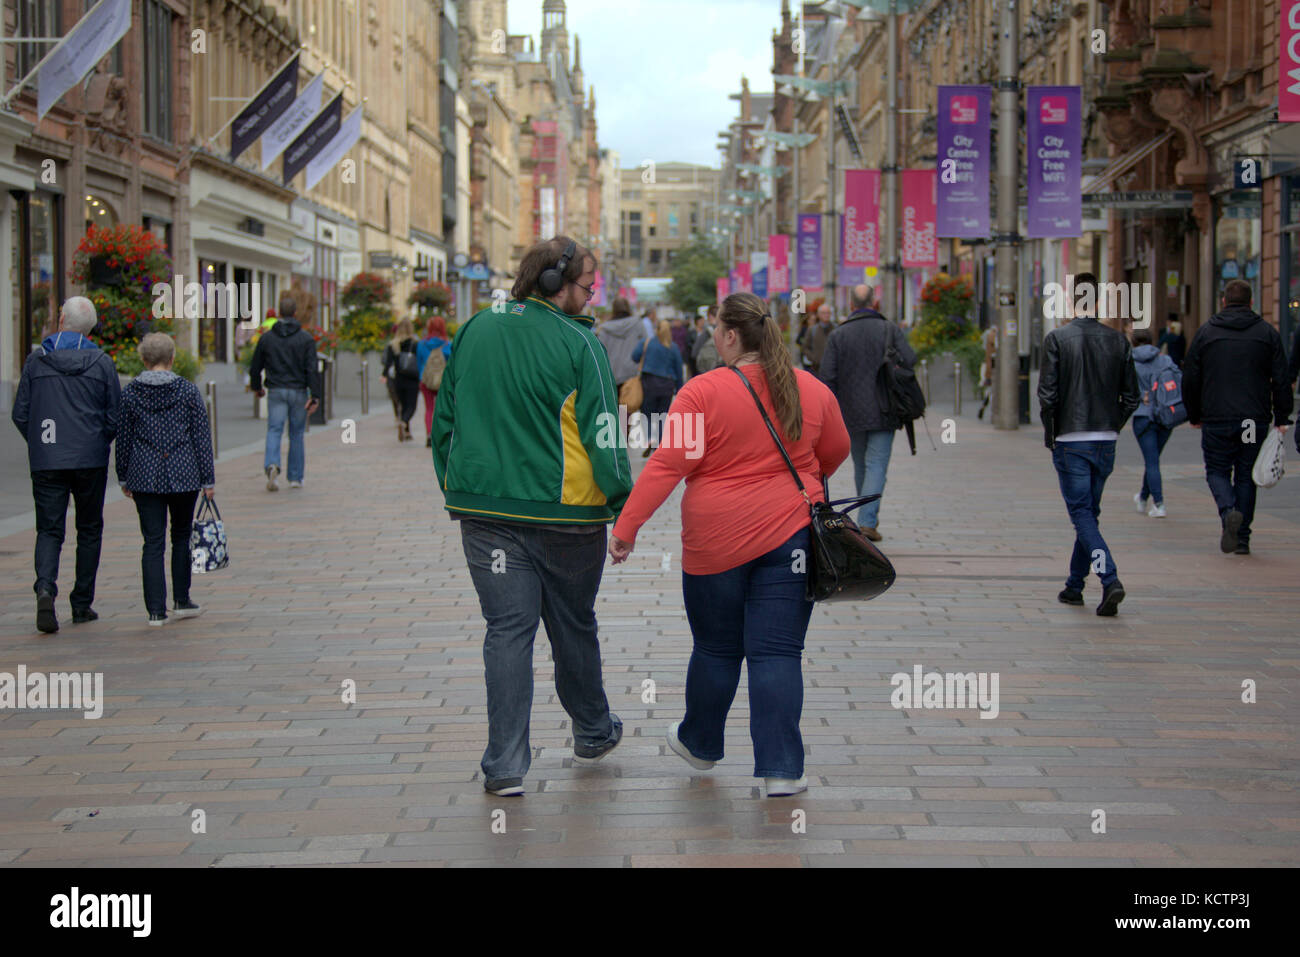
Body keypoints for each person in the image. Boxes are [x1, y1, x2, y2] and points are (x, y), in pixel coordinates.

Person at [609, 291, 850, 798]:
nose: (714, 336)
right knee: (778, 653)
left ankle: (700, 743)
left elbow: (669, 465)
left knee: (717, 649)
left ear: (732, 335)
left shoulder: (702, 393)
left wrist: (627, 527)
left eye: (716, 327)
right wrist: (798, 478)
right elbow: (836, 451)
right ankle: (783, 769)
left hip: (714, 542)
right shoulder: (811, 389)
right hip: (791, 539)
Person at [432, 235, 632, 797]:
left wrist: (457, 484)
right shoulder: (579, 343)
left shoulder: (474, 329)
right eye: (588, 285)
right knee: (572, 624)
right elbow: (605, 435)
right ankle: (592, 731)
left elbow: (445, 420)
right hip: (566, 514)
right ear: (554, 283)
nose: (593, 296)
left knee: (507, 630)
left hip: (485, 513)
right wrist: (622, 505)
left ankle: (505, 766)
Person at [10, 296, 120, 634]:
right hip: (88, 457)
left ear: (61, 321)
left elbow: (21, 413)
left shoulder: (36, 360)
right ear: (90, 329)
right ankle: (82, 603)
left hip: (48, 458)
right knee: (88, 528)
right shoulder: (102, 362)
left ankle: (45, 588)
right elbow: (114, 415)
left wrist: (44, 443)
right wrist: (96, 440)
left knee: (49, 529)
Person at [1038, 272, 1140, 615]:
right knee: (1089, 515)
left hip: (1071, 439)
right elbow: (1132, 397)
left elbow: (1047, 396)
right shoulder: (1118, 341)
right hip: (1104, 440)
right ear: (1097, 301)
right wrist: (1113, 425)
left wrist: (1052, 435)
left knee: (1082, 515)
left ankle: (1109, 577)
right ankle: (1074, 585)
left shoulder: (1057, 339)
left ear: (1071, 300)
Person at [1182, 279, 1290, 555]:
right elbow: (1281, 378)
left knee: (1217, 470)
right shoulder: (1267, 333)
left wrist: (1194, 413)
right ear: (1252, 302)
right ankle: (1242, 538)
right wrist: (1282, 416)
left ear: (1223, 301)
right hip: (1252, 421)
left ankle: (1228, 510)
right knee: (1245, 473)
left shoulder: (1206, 333)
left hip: (1216, 417)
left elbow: (1191, 378)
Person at [115, 334, 216, 626]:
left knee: (152, 541)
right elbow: (201, 436)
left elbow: (124, 437)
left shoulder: (131, 392)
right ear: (172, 359)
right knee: (181, 535)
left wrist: (123, 475)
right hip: (184, 472)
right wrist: (207, 478)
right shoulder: (187, 390)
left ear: (144, 360)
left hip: (144, 473)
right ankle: (182, 600)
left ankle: (155, 611)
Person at [818, 284, 914, 542]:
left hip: (850, 413)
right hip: (885, 409)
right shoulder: (889, 329)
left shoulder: (839, 335)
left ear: (851, 305)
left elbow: (827, 376)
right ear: (875, 303)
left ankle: (867, 517)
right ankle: (867, 521)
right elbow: (910, 360)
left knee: (862, 464)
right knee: (877, 465)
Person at [249, 294, 321, 491]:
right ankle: (296, 477)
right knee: (296, 433)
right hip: (298, 390)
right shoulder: (306, 339)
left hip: (276, 389)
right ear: (295, 313)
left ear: (279, 313)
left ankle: (272, 464)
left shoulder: (267, 338)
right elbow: (311, 368)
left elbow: (255, 366)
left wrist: (257, 387)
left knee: (274, 429)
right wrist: (315, 395)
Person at [1130, 328, 1179, 518]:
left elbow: (1126, 391)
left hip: (1143, 416)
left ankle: (1159, 504)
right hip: (1166, 415)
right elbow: (1177, 380)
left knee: (1152, 461)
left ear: (1133, 342)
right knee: (1153, 459)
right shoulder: (1165, 360)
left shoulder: (1129, 362)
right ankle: (1142, 498)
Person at [631, 319, 684, 457]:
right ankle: (660, 443)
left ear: (656, 329)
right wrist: (680, 389)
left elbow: (635, 357)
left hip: (649, 383)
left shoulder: (647, 342)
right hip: (667, 385)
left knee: (647, 413)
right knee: (662, 415)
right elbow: (679, 369)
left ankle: (650, 438)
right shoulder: (673, 347)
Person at [381, 317, 421, 443]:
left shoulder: (393, 344)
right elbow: (420, 360)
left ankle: (407, 430)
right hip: (412, 378)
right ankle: (404, 422)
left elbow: (388, 363)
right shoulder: (415, 343)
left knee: (402, 405)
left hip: (398, 379)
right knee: (412, 406)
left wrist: (384, 375)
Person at [416, 317, 453, 448]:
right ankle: (441, 435)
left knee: (429, 408)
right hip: (443, 382)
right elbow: (451, 365)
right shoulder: (448, 345)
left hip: (426, 380)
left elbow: (419, 364)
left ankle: (429, 434)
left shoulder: (421, 344)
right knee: (442, 409)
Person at [593, 296, 643, 393]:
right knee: (626, 404)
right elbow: (644, 345)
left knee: (615, 405)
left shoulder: (604, 329)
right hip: (632, 372)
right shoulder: (638, 324)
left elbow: (600, 351)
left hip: (610, 373)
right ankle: (623, 409)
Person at [806, 301, 834, 377]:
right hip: (816, 369)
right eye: (823, 313)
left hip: (833, 369)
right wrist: (813, 358)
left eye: (828, 313)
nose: (826, 315)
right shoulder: (812, 330)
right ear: (818, 315)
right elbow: (805, 347)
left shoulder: (836, 329)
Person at [693, 305, 720, 373]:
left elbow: (694, 353)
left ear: (710, 316)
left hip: (709, 371)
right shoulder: (727, 331)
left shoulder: (706, 332)